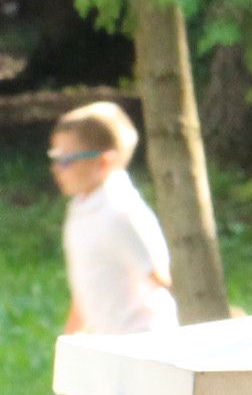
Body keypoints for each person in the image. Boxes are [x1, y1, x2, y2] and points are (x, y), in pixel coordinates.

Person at [49, 102, 176, 338]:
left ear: (103, 162)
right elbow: (87, 283)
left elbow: (162, 278)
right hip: (107, 343)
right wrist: (69, 339)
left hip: (143, 341)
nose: (56, 169)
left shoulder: (121, 212)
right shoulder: (81, 208)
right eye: (55, 158)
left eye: (67, 160)